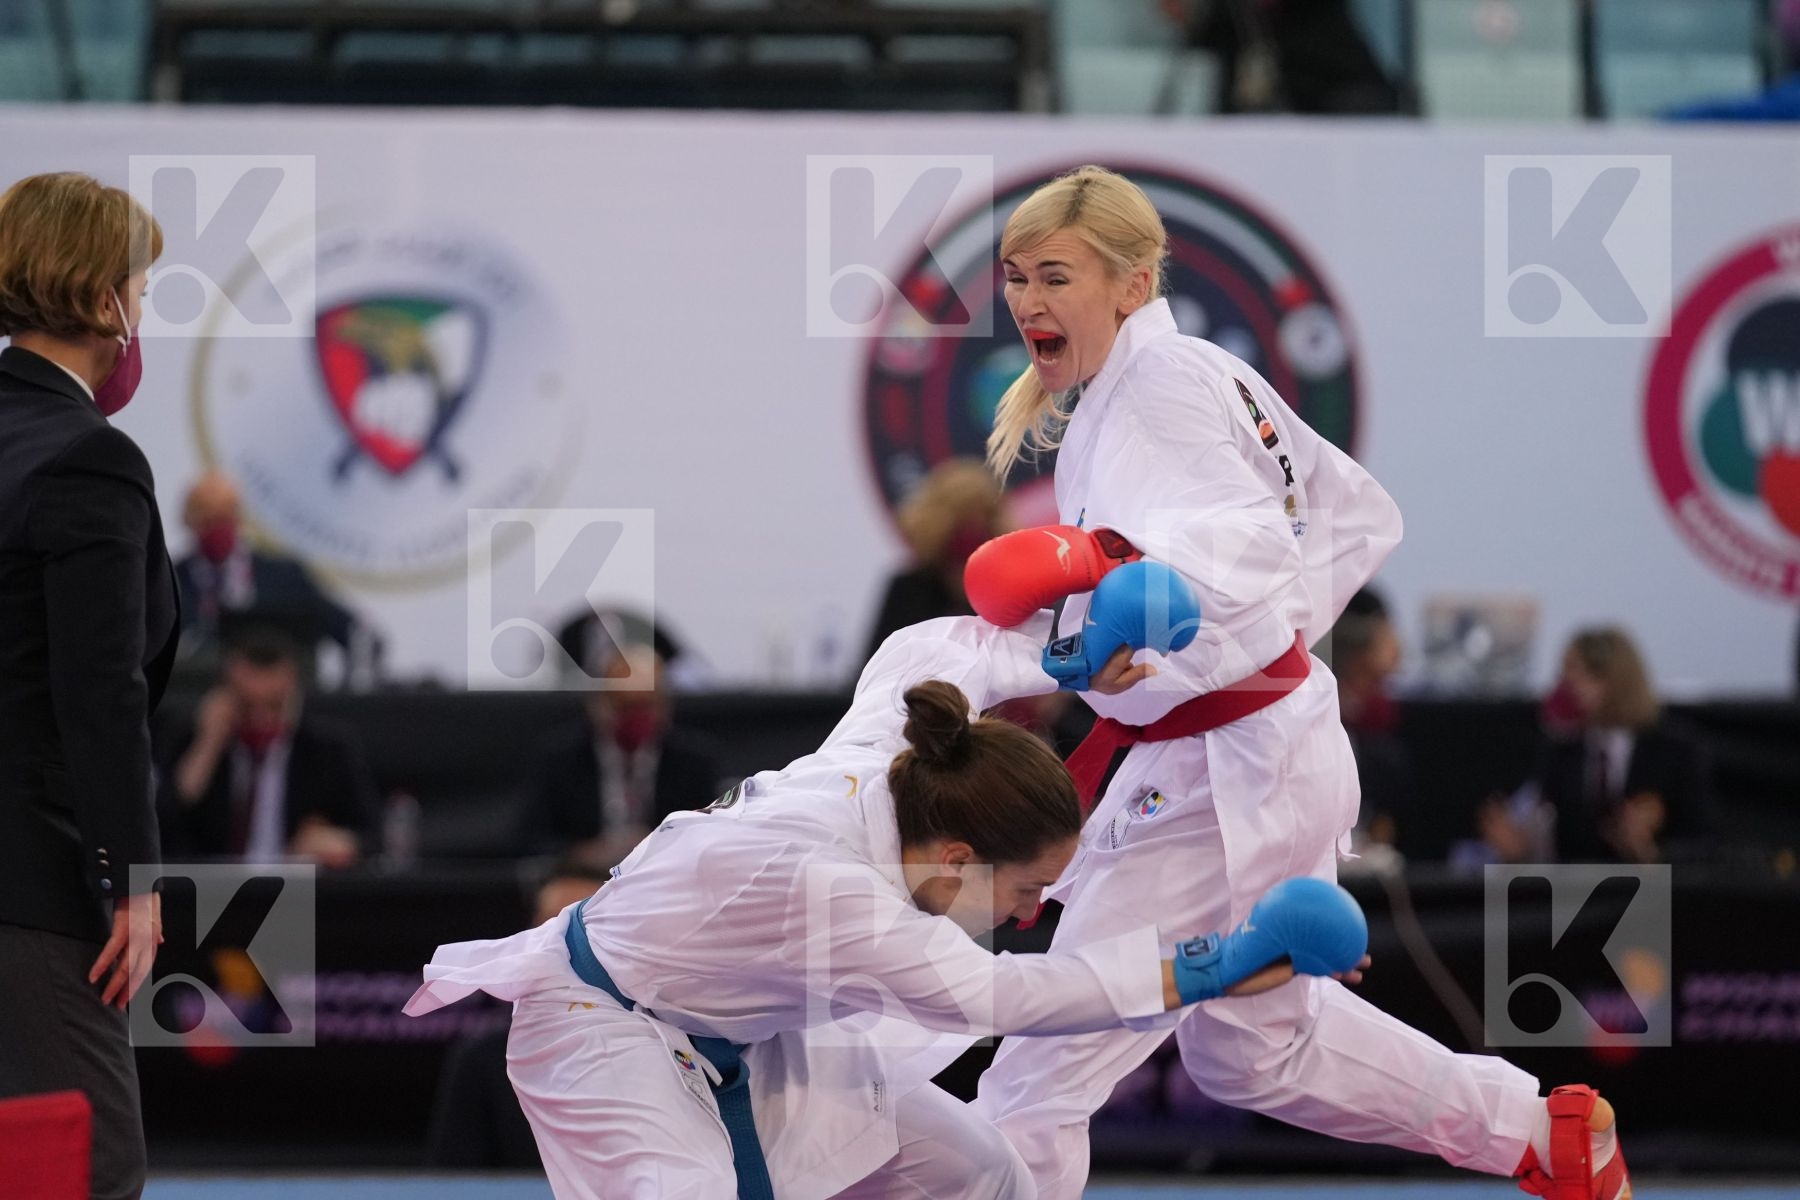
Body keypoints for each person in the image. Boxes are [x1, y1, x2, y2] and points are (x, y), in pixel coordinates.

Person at [964, 165, 1630, 1200]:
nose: (1027, 300)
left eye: (1056, 275)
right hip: (1257, 740)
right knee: (1250, 1051)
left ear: (1132, 284)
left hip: (1222, 772)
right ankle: (1541, 1134)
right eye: (1015, 276)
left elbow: (1237, 545)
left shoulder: (1164, 391)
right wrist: (1231, 647)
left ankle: (1538, 1135)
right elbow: (1351, 513)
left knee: (1045, 1066)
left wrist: (1167, 622)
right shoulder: (1179, 378)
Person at [405, 617, 1370, 1200]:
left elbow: (934, 648)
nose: (1032, 911)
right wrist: (1219, 963)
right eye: (1029, 889)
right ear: (958, 858)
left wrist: (1070, 660)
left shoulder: (893, 763)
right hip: (600, 1034)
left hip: (747, 1035)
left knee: (981, 1172)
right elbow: (1010, 1000)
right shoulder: (839, 895)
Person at [0, 171, 176, 1200]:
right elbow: (99, 692)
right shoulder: (88, 459)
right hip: (31, 882)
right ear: (103, 298)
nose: (142, 312)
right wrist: (134, 882)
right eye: (142, 288)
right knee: (86, 1168)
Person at [425, 859, 612, 1170]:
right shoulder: (485, 1057)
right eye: (550, 928)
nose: (563, 946)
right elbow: (453, 1179)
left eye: (581, 930)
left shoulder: (668, 1041)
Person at [158, 628, 380, 868]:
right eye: (247, 705)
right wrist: (207, 744)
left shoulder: (328, 750)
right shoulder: (189, 738)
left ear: (295, 694)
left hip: (298, 894)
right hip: (210, 893)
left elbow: (372, 836)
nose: (261, 718)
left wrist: (342, 843)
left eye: (274, 705)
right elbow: (161, 828)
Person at [513, 642, 721, 866]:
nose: (636, 717)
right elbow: (529, 838)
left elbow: (710, 834)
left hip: (665, 874)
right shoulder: (561, 758)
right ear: (599, 704)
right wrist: (580, 853)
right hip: (586, 877)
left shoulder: (693, 760)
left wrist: (659, 845)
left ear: (665, 706)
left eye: (646, 705)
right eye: (625, 705)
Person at [1519, 627, 1709, 865]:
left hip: (1656, 895)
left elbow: (1705, 843)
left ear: (1617, 680)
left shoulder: (1674, 749)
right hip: (1574, 894)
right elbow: (1548, 835)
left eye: (1582, 675)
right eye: (1565, 676)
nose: (1570, 688)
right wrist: (1522, 848)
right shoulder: (1560, 749)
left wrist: (1650, 851)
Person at [172, 469, 372, 679]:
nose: (216, 529)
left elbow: (355, 633)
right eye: (207, 521)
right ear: (190, 523)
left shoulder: (283, 578)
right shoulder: (170, 584)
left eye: (223, 519)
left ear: (237, 519)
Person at [862, 458, 1012, 663]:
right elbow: (878, 666)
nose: (974, 526)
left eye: (984, 515)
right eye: (963, 516)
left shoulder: (1010, 593)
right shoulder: (909, 589)